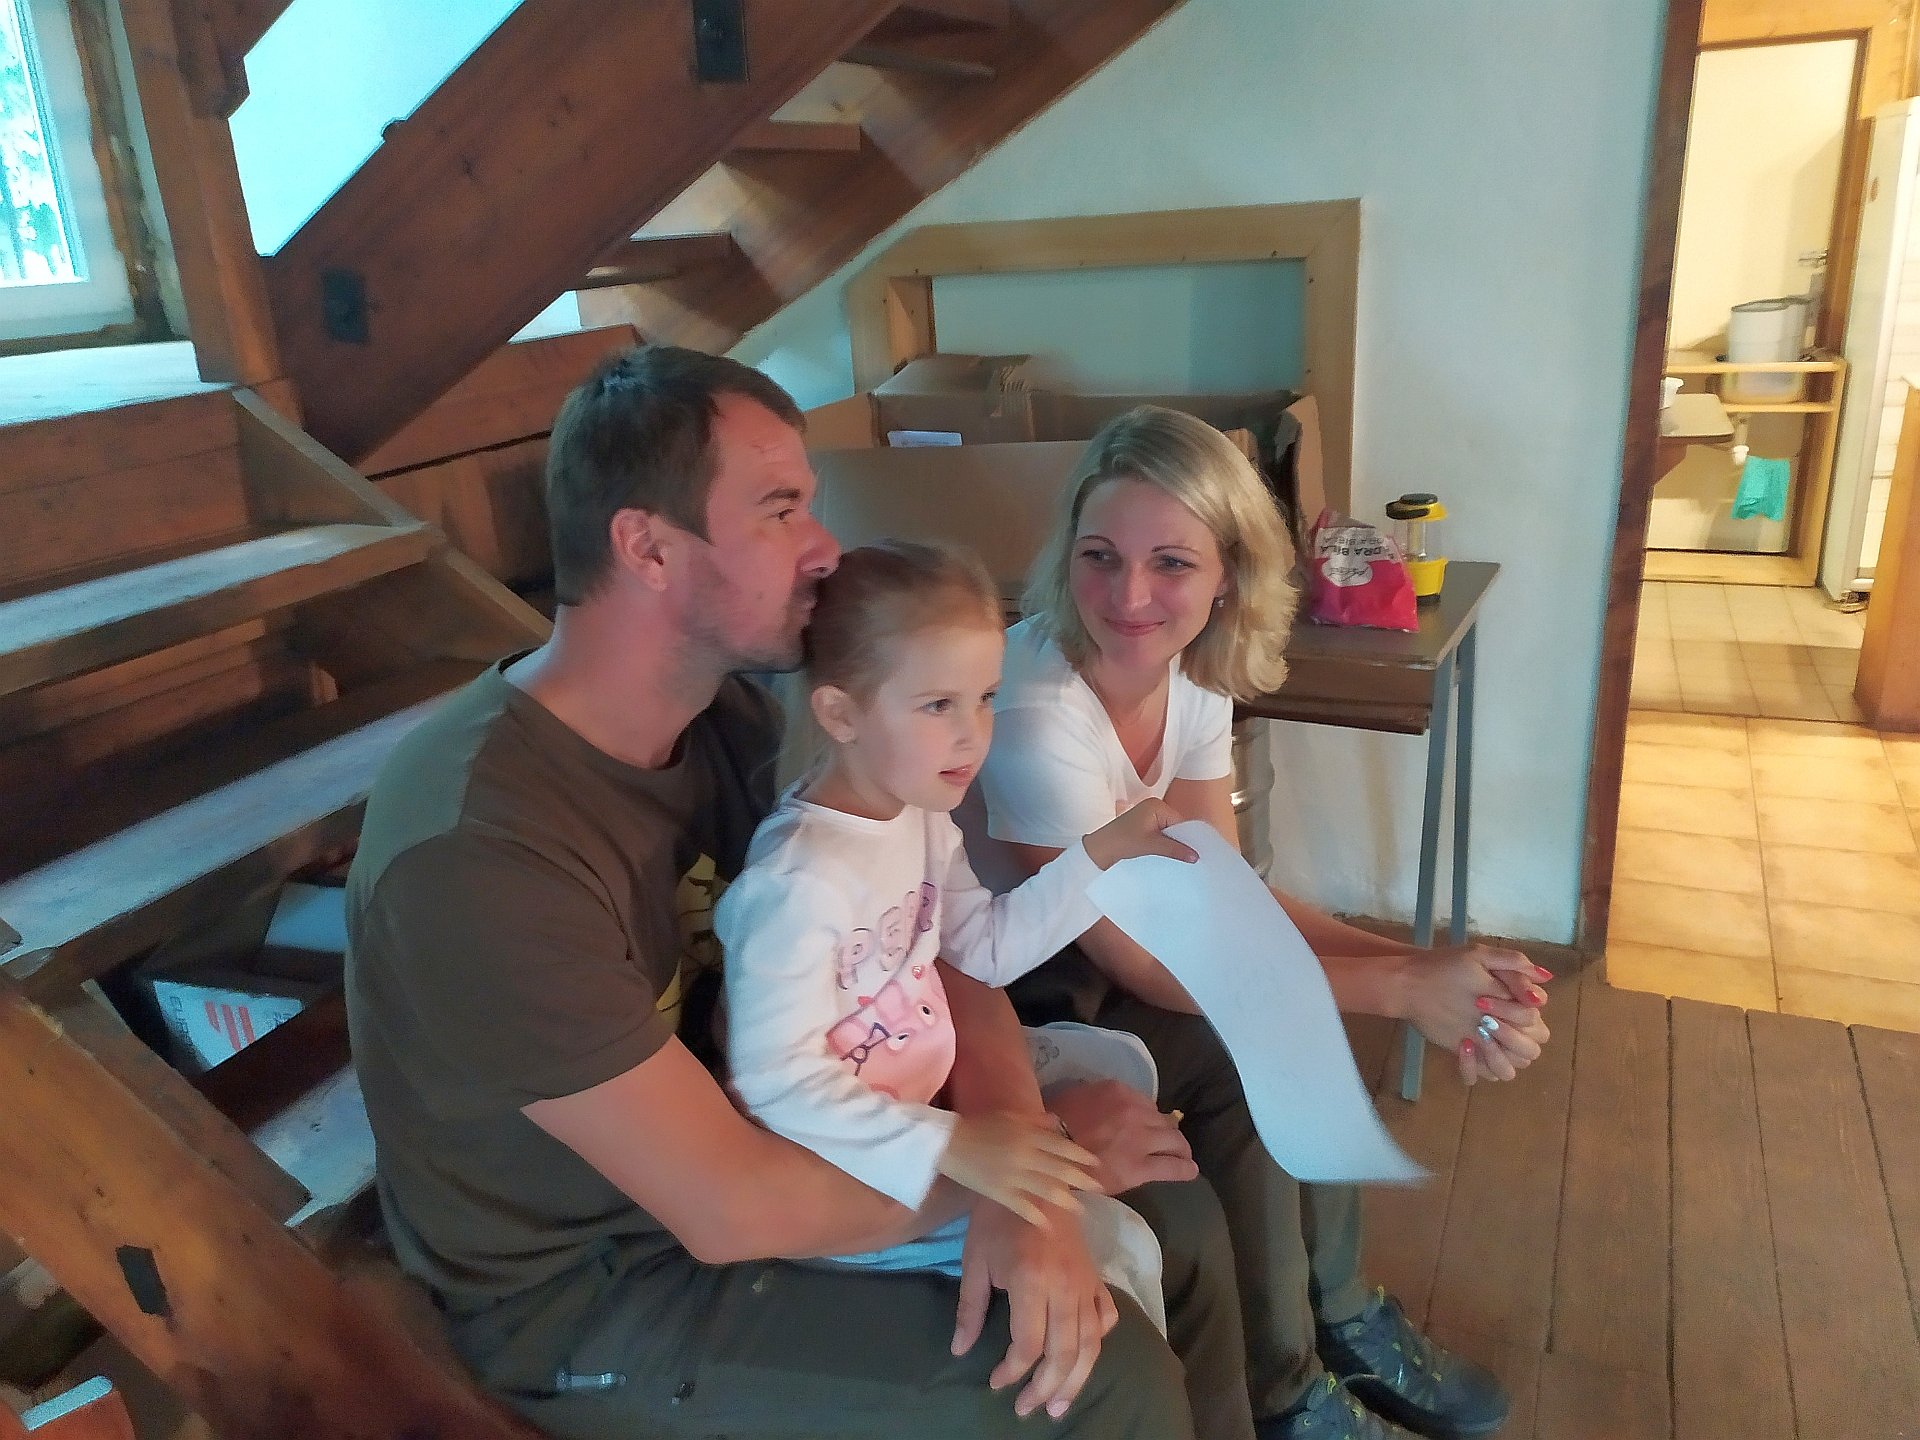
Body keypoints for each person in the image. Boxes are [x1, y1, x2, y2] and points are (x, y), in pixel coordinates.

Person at [343, 347, 1197, 1439]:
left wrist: (1014, 1142)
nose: (824, 548)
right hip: (608, 1290)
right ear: (648, 547)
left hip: (798, 1148)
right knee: (1101, 1381)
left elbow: (926, 944)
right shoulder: (480, 855)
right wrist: (1025, 1168)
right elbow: (727, 1206)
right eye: (781, 510)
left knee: (1173, 1209)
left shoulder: (730, 718)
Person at [973, 405, 1553, 1440]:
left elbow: (1219, 891)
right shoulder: (1034, 716)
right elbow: (1145, 961)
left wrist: (1427, 965)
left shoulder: (1187, 670)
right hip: (1005, 992)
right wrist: (1400, 988)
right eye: (1100, 556)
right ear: (1068, 554)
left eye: (1171, 563)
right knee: (1257, 1039)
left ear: (1229, 575)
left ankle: (1338, 1315)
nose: (1129, 596)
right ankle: (1288, 1390)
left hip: (1104, 955)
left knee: (1284, 1015)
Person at [713, 538, 1196, 1334]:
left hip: (926, 1097)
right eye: (938, 705)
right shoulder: (797, 883)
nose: (974, 735)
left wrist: (1101, 853)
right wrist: (954, 1146)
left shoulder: (921, 817)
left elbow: (988, 951)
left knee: (1129, 1083)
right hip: (850, 1174)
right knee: (1118, 1252)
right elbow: (778, 1083)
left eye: (985, 698)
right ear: (841, 713)